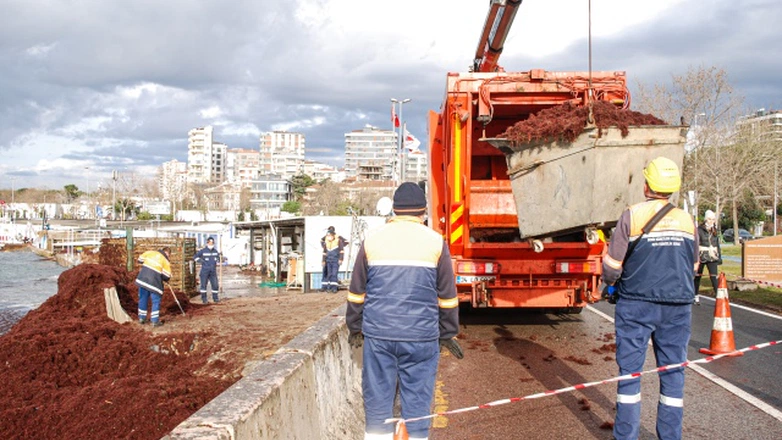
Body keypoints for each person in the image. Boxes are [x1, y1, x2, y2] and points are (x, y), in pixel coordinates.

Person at [346, 182, 463, 440]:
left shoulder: (372, 240)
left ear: (394, 210)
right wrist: (447, 333)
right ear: (423, 211)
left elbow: (356, 292)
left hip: (379, 335)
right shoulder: (436, 242)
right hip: (421, 337)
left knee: (378, 398)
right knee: (418, 402)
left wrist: (355, 327)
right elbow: (447, 296)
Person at [601, 157, 698, 440]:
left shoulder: (632, 216)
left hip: (636, 305)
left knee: (630, 374)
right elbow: (693, 266)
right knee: (673, 374)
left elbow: (613, 266)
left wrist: (609, 284)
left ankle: (626, 435)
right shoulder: (686, 220)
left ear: (646, 186)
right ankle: (670, 436)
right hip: (677, 307)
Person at [136, 247, 172, 327]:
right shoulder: (165, 261)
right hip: (155, 283)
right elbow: (167, 276)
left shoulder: (150, 253)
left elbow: (140, 260)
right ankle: (154, 321)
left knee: (143, 298)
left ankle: (142, 318)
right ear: (168, 254)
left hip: (143, 280)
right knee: (156, 301)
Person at [694, 209, 722, 304]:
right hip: (701, 255)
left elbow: (717, 244)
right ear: (706, 219)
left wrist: (719, 257)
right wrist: (695, 258)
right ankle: (695, 295)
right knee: (697, 277)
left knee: (714, 277)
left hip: (712, 256)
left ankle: (718, 297)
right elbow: (696, 243)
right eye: (709, 219)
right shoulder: (699, 230)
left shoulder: (714, 230)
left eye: (713, 219)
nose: (711, 221)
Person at [320, 226, 347, 293]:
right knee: (329, 274)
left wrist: (340, 259)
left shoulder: (338, 239)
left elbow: (342, 250)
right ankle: (328, 288)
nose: (328, 237)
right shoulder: (326, 241)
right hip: (328, 259)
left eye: (330, 235)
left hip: (335, 259)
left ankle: (334, 288)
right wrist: (323, 260)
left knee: (334, 273)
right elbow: (324, 252)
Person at [194, 237, 221, 304]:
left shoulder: (215, 251)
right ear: (207, 243)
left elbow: (218, 259)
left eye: (212, 243)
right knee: (203, 285)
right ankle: (204, 299)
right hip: (204, 271)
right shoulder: (203, 251)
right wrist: (201, 261)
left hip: (213, 271)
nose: (211, 244)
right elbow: (195, 257)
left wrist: (219, 258)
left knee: (215, 285)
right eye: (210, 242)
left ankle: (215, 298)